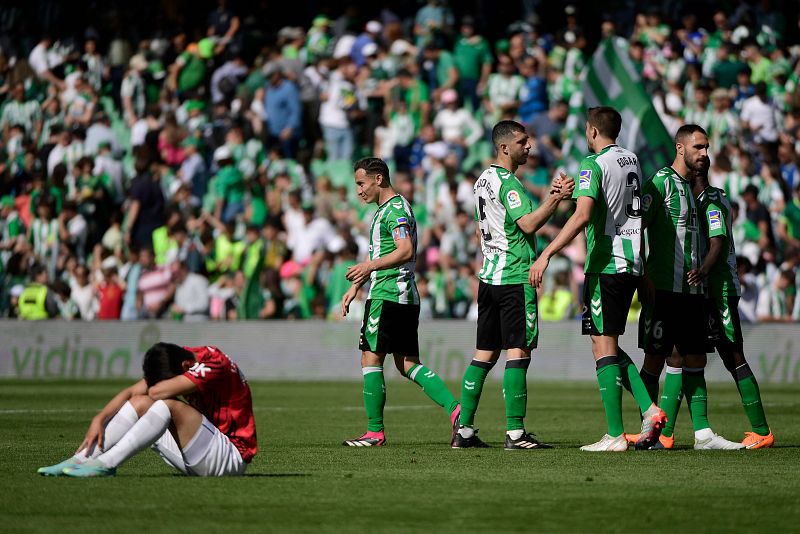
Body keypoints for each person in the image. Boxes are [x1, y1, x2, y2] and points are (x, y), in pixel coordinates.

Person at [529, 106, 668, 451]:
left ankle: (617, 433)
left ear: (591, 131)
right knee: (602, 342)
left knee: (603, 344)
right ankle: (647, 411)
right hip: (632, 263)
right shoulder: (631, 159)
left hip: (606, 265)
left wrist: (547, 253)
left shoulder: (593, 163)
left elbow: (584, 215)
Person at [453, 120, 573, 450]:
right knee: (518, 351)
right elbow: (529, 223)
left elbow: (484, 230)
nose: (529, 147)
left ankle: (464, 430)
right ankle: (516, 433)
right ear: (505, 147)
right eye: (522, 142)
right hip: (514, 276)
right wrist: (557, 198)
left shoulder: (481, 180)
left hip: (489, 276)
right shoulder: (508, 184)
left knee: (483, 355)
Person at [340, 157, 460, 447]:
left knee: (371, 358)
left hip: (388, 295)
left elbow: (404, 250)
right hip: (404, 295)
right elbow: (387, 253)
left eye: (361, 183)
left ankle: (374, 432)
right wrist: (356, 286)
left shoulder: (394, 210)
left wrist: (368, 268)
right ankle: (458, 410)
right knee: (407, 364)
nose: (358, 191)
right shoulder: (389, 209)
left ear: (378, 179)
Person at [637, 124, 743, 450]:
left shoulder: (693, 191)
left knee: (695, 360)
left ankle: (703, 435)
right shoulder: (660, 182)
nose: (704, 154)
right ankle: (648, 432)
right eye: (698, 147)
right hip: (664, 291)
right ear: (680, 148)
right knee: (654, 362)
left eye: (707, 147)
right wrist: (642, 276)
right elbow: (635, 225)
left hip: (693, 292)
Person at [38, 342, 256, 477]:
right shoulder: (183, 358)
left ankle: (106, 464)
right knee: (140, 403)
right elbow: (134, 392)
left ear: (185, 368)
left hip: (229, 458)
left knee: (167, 405)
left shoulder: (213, 364)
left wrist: (153, 387)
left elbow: (157, 392)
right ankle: (81, 459)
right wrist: (100, 418)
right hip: (201, 453)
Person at [689, 158, 773, 448]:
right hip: (707, 289)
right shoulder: (703, 196)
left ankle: (762, 431)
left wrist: (703, 270)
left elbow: (718, 241)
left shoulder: (712, 199)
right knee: (711, 356)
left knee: (734, 355)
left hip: (719, 288)